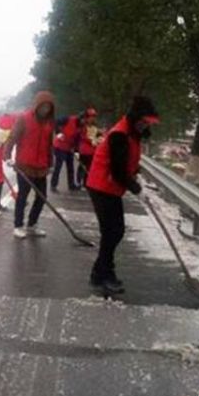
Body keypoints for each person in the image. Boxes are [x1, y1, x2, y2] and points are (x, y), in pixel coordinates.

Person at [85, 96, 159, 293]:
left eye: (148, 123)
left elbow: (128, 162)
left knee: (114, 232)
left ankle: (102, 273)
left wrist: (136, 177)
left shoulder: (131, 133)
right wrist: (137, 189)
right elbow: (118, 171)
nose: (146, 126)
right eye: (144, 121)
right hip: (102, 186)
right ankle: (103, 275)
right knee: (112, 232)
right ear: (136, 118)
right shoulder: (120, 134)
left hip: (110, 187)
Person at [4, 91, 56, 239]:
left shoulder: (48, 123)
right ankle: (18, 226)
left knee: (42, 197)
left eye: (48, 107)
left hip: (41, 168)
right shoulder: (24, 119)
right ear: (37, 105)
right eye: (43, 106)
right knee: (22, 196)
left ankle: (32, 224)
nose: (45, 110)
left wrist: (50, 163)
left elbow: (49, 145)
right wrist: (7, 156)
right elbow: (12, 138)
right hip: (24, 166)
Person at [51, 112, 81, 192]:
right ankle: (53, 185)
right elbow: (56, 122)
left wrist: (76, 151)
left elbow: (77, 140)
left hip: (69, 148)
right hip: (60, 146)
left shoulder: (80, 126)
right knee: (58, 166)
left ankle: (71, 185)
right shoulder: (68, 119)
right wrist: (59, 133)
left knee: (71, 168)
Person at [75, 107, 100, 186]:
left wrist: (98, 140)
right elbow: (82, 136)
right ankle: (79, 181)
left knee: (89, 167)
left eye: (94, 117)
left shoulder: (95, 127)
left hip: (92, 150)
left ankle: (86, 183)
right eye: (91, 117)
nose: (92, 119)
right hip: (84, 150)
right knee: (82, 166)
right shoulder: (83, 126)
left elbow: (98, 136)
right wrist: (91, 140)